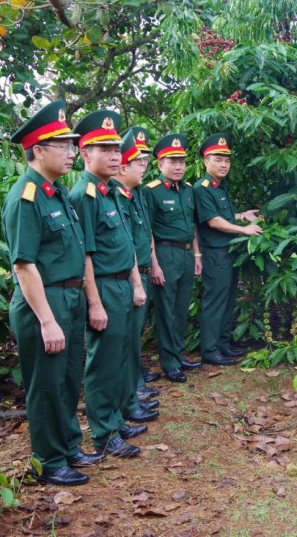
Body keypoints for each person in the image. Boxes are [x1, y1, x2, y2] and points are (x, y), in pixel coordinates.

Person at [3, 100, 102, 486]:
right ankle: (48, 459)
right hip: (44, 302)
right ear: (38, 150)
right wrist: (46, 320)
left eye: (71, 144)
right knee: (45, 385)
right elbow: (24, 265)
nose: (71, 151)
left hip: (71, 297)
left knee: (66, 380)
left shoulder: (55, 192)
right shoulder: (25, 196)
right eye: (63, 144)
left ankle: (68, 445)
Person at [70, 110, 147, 459]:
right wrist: (95, 302)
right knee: (102, 364)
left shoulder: (111, 192)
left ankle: (115, 419)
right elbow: (84, 254)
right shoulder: (83, 195)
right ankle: (103, 434)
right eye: (106, 149)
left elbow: (127, 244)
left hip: (122, 285)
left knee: (118, 359)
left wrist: (135, 283)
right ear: (86, 154)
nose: (116, 156)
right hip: (101, 287)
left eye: (117, 149)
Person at [193, 133, 263, 364]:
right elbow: (213, 221)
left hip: (228, 252)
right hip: (214, 253)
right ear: (206, 161)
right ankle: (210, 350)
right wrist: (244, 230)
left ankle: (223, 343)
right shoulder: (202, 188)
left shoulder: (219, 187)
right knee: (216, 301)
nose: (223, 164)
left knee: (228, 299)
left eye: (226, 160)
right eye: (217, 159)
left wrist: (242, 216)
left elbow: (223, 215)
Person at [112, 130, 160, 439]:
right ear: (122, 167)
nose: (144, 166)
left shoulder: (134, 194)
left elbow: (144, 237)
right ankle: (124, 403)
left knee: (131, 341)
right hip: (121, 279)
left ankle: (131, 397)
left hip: (139, 272)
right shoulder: (112, 195)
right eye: (138, 161)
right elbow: (124, 243)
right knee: (119, 348)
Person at [145, 133, 203, 382]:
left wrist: (197, 253)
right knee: (166, 310)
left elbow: (192, 224)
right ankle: (169, 362)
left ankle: (178, 355)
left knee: (181, 309)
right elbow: (146, 231)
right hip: (164, 254)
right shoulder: (152, 192)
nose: (178, 166)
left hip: (186, 253)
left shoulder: (188, 190)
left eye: (181, 161)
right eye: (172, 161)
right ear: (160, 164)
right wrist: (154, 265)